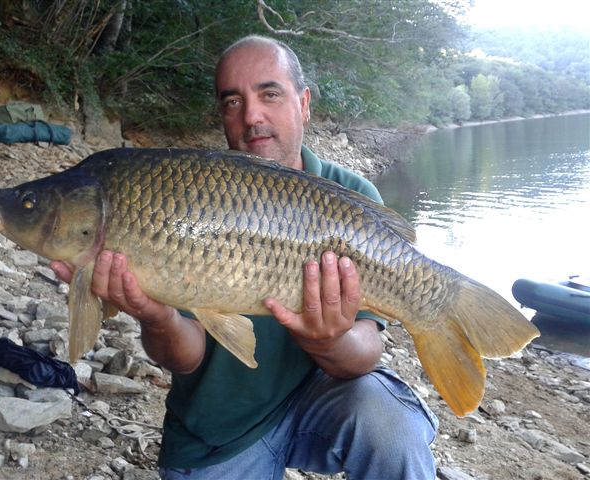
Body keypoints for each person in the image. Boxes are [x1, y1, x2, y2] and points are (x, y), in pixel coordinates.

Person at [52, 35, 438, 479]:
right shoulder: (184, 193)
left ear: (304, 103)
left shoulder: (350, 199)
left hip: (321, 403)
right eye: (232, 101)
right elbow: (185, 357)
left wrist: (328, 341)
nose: (251, 116)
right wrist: (155, 317)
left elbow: (364, 352)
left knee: (390, 425)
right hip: (217, 433)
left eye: (269, 94)